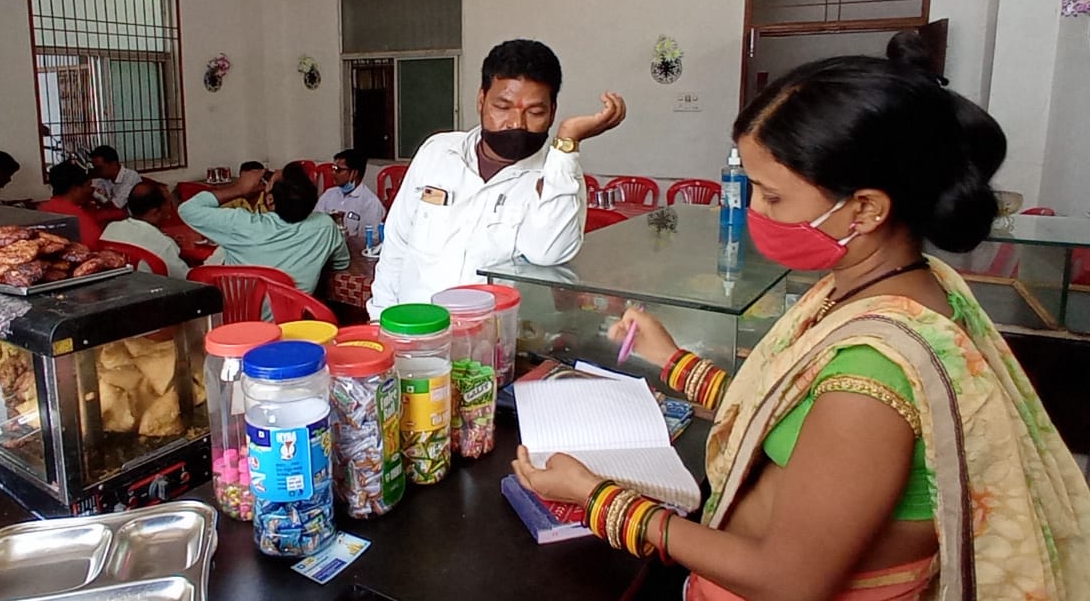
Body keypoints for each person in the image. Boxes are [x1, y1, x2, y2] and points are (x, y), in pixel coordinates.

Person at [511, 39, 1090, 600]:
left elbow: (784, 581)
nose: (753, 209)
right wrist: (674, 362)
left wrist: (594, 496)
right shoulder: (886, 287)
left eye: (772, 196)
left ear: (864, 208)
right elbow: (791, 414)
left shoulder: (875, 373)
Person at [368, 39, 626, 318]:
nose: (516, 123)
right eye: (502, 107)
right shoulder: (438, 152)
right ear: (482, 100)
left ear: (552, 111)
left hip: (490, 346)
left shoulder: (557, 176)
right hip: (413, 333)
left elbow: (549, 252)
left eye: (535, 112)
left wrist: (567, 142)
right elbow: (397, 244)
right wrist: (379, 318)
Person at [179, 163, 349, 294]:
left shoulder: (241, 224)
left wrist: (239, 188)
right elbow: (341, 262)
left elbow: (187, 209)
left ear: (270, 200)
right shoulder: (325, 226)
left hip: (240, 325)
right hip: (292, 324)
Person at [100, 182, 190, 279]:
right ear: (155, 212)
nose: (170, 209)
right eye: (168, 204)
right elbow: (186, 278)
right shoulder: (164, 246)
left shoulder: (111, 229)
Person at [314, 149, 386, 238]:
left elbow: (368, 240)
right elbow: (315, 225)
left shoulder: (370, 203)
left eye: (338, 170)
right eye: (333, 168)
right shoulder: (329, 194)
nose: (333, 173)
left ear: (354, 173)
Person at [37, 160, 101, 248]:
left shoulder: (43, 209)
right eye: (88, 185)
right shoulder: (78, 219)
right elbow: (95, 245)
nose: (91, 190)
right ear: (75, 188)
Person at [89, 145, 142, 209]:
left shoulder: (130, 177)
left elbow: (116, 207)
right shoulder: (103, 178)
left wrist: (96, 196)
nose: (96, 172)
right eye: (95, 168)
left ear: (113, 164)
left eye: (99, 168)